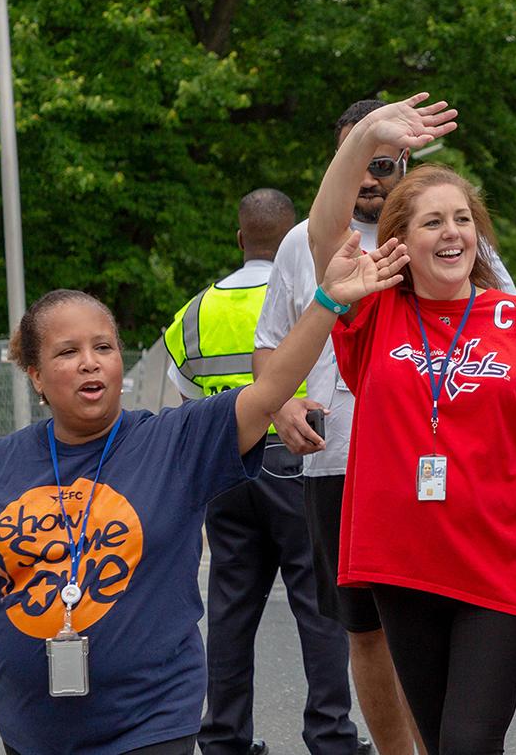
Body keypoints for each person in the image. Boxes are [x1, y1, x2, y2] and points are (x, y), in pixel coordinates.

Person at [0, 233, 411, 755]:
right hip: (31, 732)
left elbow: (272, 385)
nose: (90, 363)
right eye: (67, 352)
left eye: (103, 347)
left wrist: (329, 301)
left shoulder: (176, 441)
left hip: (151, 727)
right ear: (34, 373)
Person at [253, 99, 515, 755]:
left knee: (442, 613)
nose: (370, 177)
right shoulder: (309, 245)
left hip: (442, 462)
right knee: (366, 630)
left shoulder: (453, 235)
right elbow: (270, 348)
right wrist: (281, 407)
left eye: (383, 160)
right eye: (356, 160)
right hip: (341, 462)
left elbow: (512, 326)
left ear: (406, 159)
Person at [307, 94, 516, 755]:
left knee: (470, 742)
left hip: (499, 563)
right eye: (431, 222)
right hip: (402, 562)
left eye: (461, 220)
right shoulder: (371, 314)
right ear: (399, 240)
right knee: (440, 741)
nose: (451, 233)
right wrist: (364, 137)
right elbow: (324, 232)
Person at [164, 189, 362, 755]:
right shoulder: (311, 290)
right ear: (296, 235)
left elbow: (186, 402)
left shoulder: (196, 312)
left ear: (239, 238)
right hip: (298, 459)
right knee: (319, 608)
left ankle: (224, 736)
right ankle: (330, 736)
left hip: (226, 467)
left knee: (230, 607)